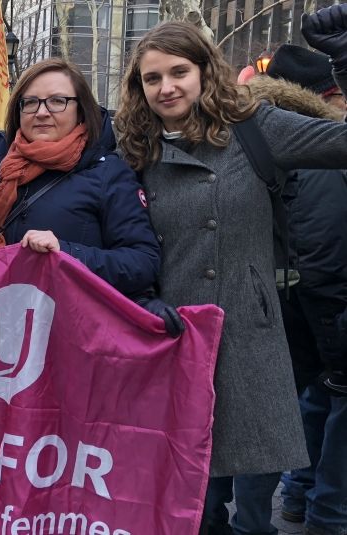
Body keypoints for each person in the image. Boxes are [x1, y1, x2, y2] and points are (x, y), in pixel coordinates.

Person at [115, 19, 347, 535]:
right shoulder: (132, 149)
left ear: (204, 72)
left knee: (254, 504)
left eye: (179, 71)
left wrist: (345, 64)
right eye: (152, 79)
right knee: (189, 502)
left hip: (249, 336)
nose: (167, 87)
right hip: (171, 339)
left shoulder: (256, 127)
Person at [0, 58, 174, 330]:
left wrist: (65, 252)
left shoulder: (109, 172)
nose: (41, 112)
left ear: (81, 109)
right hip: (0, 330)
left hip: (73, 339)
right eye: (30, 102)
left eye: (57, 101)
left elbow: (142, 262)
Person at [249, 44, 347, 535]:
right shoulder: (305, 141)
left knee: (309, 399)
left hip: (288, 297)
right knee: (328, 401)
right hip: (317, 298)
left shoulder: (258, 134)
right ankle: (325, 515)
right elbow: (323, 239)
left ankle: (299, 496)